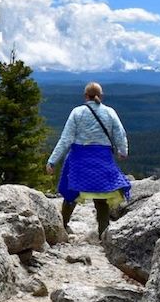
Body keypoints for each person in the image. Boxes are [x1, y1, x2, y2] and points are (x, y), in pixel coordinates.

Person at [46, 82, 130, 237]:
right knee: (102, 194)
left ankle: (62, 227)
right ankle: (103, 232)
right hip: (102, 157)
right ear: (101, 95)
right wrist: (123, 151)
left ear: (85, 96)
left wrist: (52, 161)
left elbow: (65, 139)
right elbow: (120, 133)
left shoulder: (77, 112)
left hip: (79, 158)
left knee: (72, 192)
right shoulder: (110, 112)